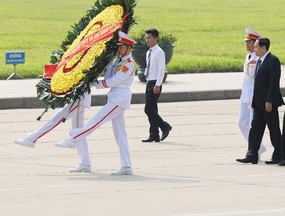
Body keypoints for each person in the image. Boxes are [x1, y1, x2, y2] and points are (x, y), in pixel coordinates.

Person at [56, 31, 136, 175]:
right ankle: (126, 166)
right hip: (115, 96)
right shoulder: (118, 61)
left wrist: (95, 84)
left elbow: (113, 81)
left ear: (128, 48)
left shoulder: (128, 64)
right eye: (118, 46)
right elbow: (108, 74)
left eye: (122, 47)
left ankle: (73, 138)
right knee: (120, 135)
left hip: (120, 97)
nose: (119, 49)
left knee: (97, 120)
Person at [14, 92, 92, 173]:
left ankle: (32, 138)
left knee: (58, 118)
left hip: (80, 98)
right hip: (78, 98)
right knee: (78, 132)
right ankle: (85, 162)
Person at [237, 37, 284, 164]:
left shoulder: (272, 60)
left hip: (268, 103)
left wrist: (269, 101)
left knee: (273, 129)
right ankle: (252, 154)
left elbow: (274, 83)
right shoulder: (259, 61)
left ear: (264, 48)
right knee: (255, 129)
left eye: (257, 47)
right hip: (257, 103)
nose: (255, 49)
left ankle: (279, 155)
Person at [238, 28, 266, 156]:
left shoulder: (259, 58)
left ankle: (254, 151)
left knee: (252, 125)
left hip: (253, 97)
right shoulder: (248, 56)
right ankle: (258, 147)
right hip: (245, 96)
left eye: (249, 42)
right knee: (241, 123)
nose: (247, 44)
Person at [141, 28, 172, 143]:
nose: (147, 40)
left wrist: (158, 84)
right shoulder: (149, 52)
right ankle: (154, 134)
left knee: (148, 109)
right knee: (152, 109)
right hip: (149, 82)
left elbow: (161, 69)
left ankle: (165, 126)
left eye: (149, 37)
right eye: (146, 37)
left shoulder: (159, 52)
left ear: (155, 38)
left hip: (155, 83)